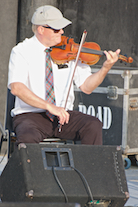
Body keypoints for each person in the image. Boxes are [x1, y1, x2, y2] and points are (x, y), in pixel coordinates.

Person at [8, 5, 120, 145]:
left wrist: (105, 67)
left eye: (61, 28)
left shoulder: (70, 51)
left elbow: (87, 87)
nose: (61, 31)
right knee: (28, 138)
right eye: (56, 29)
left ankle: (87, 166)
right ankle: (32, 167)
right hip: (31, 115)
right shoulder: (22, 51)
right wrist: (50, 107)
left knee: (92, 125)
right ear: (41, 29)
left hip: (63, 115)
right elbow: (16, 88)